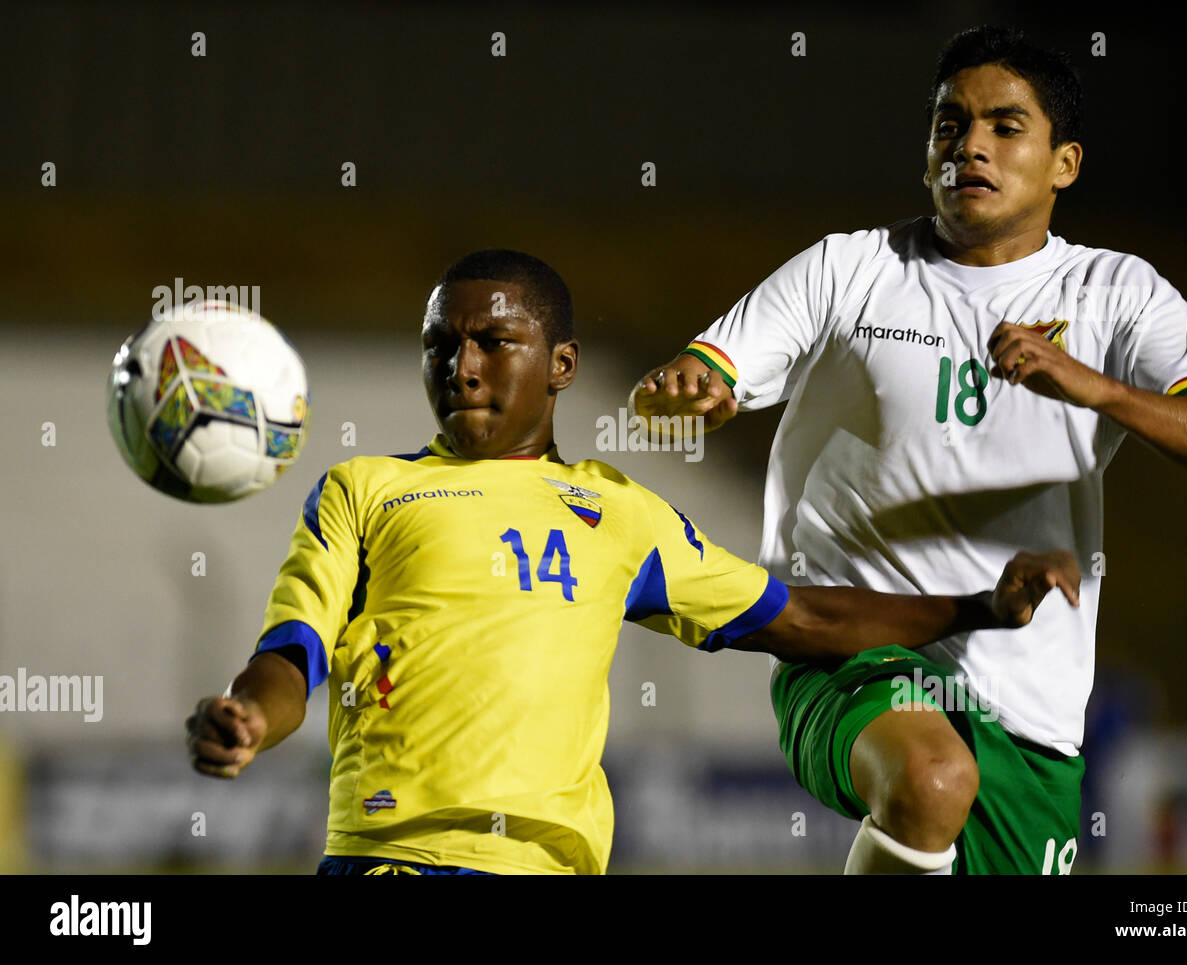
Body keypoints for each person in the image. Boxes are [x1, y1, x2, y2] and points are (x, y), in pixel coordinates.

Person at [185, 248, 1079, 876]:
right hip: (398, 857)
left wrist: (975, 609)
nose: (459, 365)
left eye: (493, 341)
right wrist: (253, 717)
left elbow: (801, 620)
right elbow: (293, 650)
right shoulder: (365, 489)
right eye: (439, 345)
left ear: (562, 363)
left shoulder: (616, 511)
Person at [631, 25, 1187, 875]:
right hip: (849, 651)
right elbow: (690, 385)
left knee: (951, 788)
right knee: (929, 775)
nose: (971, 147)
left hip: (1027, 701)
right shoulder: (850, 270)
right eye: (949, 126)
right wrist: (684, 395)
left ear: (1064, 162)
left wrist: (1094, 385)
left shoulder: (1117, 292)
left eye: (1005, 127)